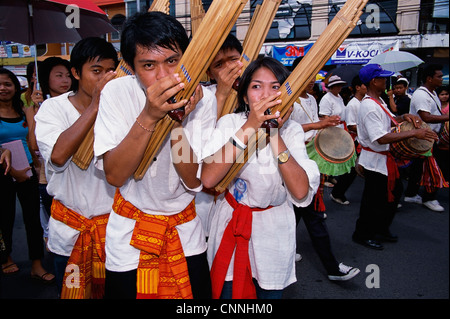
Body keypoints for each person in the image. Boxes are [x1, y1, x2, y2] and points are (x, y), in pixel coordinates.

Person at [93, 11, 215, 299]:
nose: (164, 75)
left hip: (185, 232)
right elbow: (115, 174)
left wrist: (178, 122)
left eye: (172, 60)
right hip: (129, 235)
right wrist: (149, 116)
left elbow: (193, 180)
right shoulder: (116, 92)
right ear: (132, 68)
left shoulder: (203, 98)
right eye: (149, 65)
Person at [201, 57, 320, 299]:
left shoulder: (292, 130)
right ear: (245, 96)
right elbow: (209, 179)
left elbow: (299, 191)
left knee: (268, 296)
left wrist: (273, 133)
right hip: (230, 224)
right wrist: (250, 127)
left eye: (275, 87)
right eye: (256, 86)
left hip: (273, 229)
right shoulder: (230, 123)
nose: (266, 94)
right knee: (228, 294)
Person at [35, 37, 119, 298]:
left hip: (114, 231)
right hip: (70, 233)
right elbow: (58, 156)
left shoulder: (119, 110)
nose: (104, 78)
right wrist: (96, 105)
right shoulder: (53, 108)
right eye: (96, 71)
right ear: (76, 73)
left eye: (109, 71)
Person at [352, 64, 438, 250]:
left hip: (383, 159)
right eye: (383, 78)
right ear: (374, 81)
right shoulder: (368, 105)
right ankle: (363, 234)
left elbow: (390, 122)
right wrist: (413, 134)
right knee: (373, 201)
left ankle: (381, 228)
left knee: (392, 194)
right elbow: (380, 137)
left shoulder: (379, 101)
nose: (386, 81)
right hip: (374, 161)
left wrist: (405, 116)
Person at [290, 75, 360, 281]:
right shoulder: (288, 100)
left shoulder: (311, 98)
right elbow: (285, 130)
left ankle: (287, 250)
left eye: (313, 77)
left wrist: (324, 124)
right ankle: (332, 268)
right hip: (294, 161)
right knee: (313, 215)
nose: (311, 80)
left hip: (310, 160)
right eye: (307, 75)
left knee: (297, 211)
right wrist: (318, 125)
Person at [0, 68, 54, 283]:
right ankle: (6, 257)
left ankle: (37, 264)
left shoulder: (24, 111)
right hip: (2, 173)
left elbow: (33, 141)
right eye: (0, 84)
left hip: (28, 169)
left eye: (8, 84)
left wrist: (32, 116)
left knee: (33, 219)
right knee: (5, 217)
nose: (3, 88)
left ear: (15, 87)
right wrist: (12, 171)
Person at [196, 34, 243, 238]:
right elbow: (202, 141)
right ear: (209, 72)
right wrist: (222, 93)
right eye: (219, 65)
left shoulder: (256, 94)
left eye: (233, 59)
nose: (228, 68)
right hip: (208, 193)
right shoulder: (202, 98)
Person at [29, 56, 74, 247]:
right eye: (58, 76)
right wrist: (35, 111)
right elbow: (33, 144)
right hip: (49, 178)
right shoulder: (41, 107)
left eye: (67, 75)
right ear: (46, 79)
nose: (65, 80)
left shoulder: (78, 103)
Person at [404, 64, 449, 212]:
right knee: (433, 168)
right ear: (429, 79)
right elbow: (426, 117)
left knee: (418, 167)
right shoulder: (422, 94)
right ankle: (429, 198)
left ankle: (411, 193)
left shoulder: (432, 93)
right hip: (423, 138)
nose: (441, 79)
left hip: (428, 137)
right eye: (439, 76)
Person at [330, 75, 367, 205]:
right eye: (364, 85)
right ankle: (337, 193)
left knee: (354, 170)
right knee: (350, 171)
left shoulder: (363, 102)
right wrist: (368, 131)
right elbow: (351, 125)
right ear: (357, 87)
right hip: (354, 140)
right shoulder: (353, 104)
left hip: (360, 139)